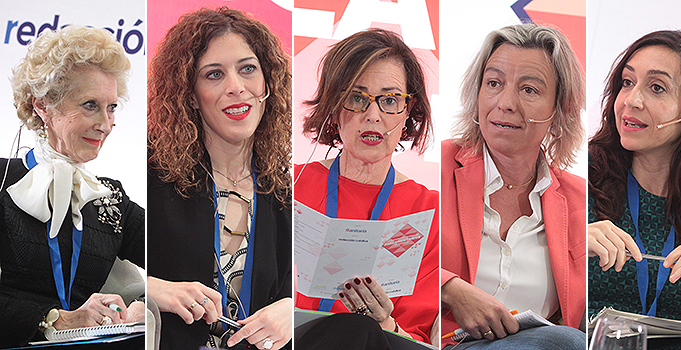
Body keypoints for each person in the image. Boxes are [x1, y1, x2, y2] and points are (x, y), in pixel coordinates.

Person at [146, 7, 292, 350]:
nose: (236, 88)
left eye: (248, 69)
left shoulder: (282, 190)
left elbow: (302, 293)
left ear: (267, 83)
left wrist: (290, 311)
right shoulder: (153, 173)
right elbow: (104, 274)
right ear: (191, 96)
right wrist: (155, 288)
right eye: (214, 75)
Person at [440, 24, 587, 349]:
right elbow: (393, 262)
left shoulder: (580, 198)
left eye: (529, 90)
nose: (505, 102)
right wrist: (449, 287)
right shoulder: (438, 168)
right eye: (494, 83)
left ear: (558, 109)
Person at [294, 28, 439, 349]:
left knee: (359, 331)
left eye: (389, 100)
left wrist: (385, 321)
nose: (373, 116)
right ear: (334, 105)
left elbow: (417, 338)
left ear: (408, 112)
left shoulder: (428, 210)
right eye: (357, 98)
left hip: (375, 344)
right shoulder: (288, 184)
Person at [0, 26, 145, 347]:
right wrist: (54, 318)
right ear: (43, 106)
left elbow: (178, 257)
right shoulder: (1, 179)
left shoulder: (112, 198)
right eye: (90, 105)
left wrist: (145, 306)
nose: (106, 125)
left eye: (112, 107)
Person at [587, 30, 681, 348]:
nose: (631, 101)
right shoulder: (584, 174)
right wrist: (572, 243)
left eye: (656, 88)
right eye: (627, 82)